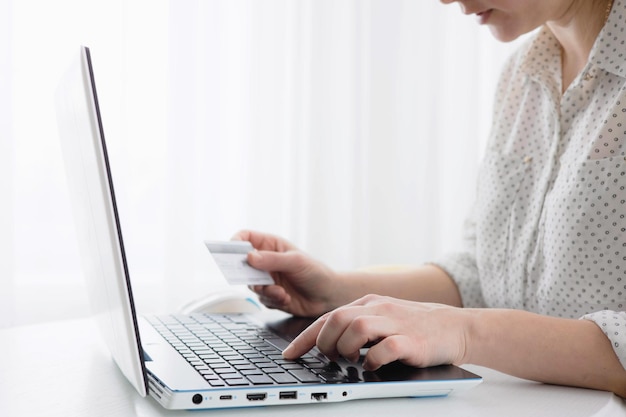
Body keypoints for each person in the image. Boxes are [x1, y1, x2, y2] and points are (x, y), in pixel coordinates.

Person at [235, 0, 626, 396]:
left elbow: (473, 321)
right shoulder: (523, 73)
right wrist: (335, 291)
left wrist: (465, 331)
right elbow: (486, 275)